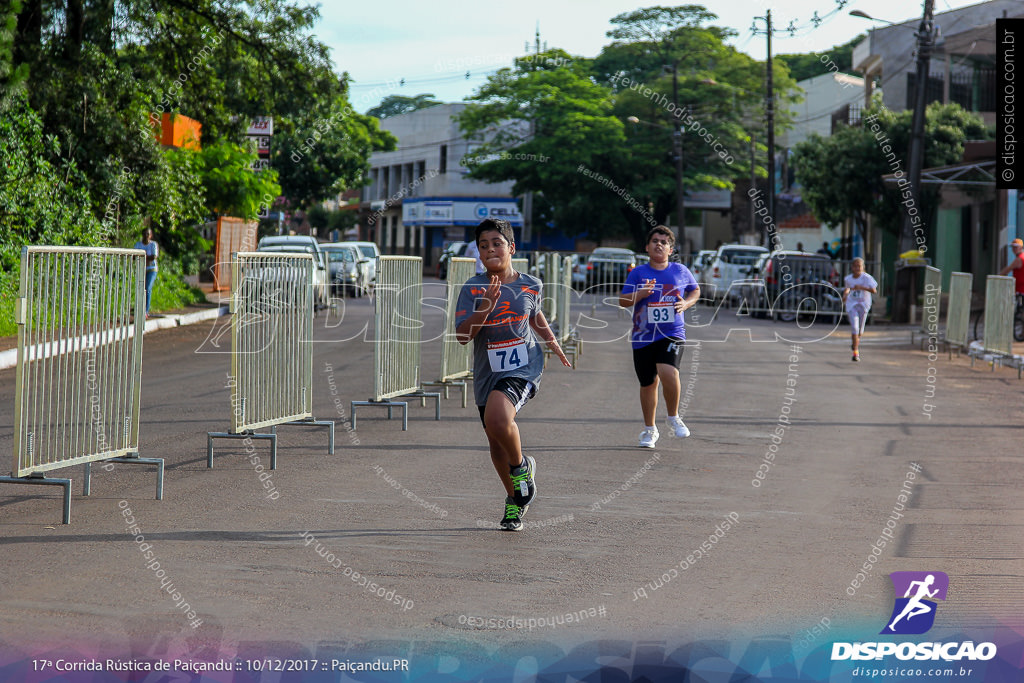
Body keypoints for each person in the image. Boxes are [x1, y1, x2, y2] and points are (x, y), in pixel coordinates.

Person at [455, 218, 570, 531]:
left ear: (511, 248)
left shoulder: (530, 283)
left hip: (524, 366)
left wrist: (553, 344)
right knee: (495, 443)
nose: (490, 249)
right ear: (478, 252)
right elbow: (463, 336)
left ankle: (521, 468)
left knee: (499, 419)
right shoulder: (472, 287)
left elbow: (535, 314)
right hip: (487, 371)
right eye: (483, 245)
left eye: (497, 243)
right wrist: (484, 308)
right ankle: (515, 502)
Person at [619, 226, 701, 448]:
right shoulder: (638, 273)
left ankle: (673, 417)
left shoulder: (680, 270)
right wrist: (641, 294)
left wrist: (686, 303)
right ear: (647, 247)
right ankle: (649, 430)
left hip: (672, 332)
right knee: (648, 384)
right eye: (655, 241)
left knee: (668, 371)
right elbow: (623, 301)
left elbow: (696, 290)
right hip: (643, 336)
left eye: (664, 242)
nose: (659, 244)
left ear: (670, 249)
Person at [842, 257, 878, 362]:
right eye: (855, 266)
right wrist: (845, 295)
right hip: (852, 304)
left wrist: (862, 287)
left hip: (863, 304)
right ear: (852, 267)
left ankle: (855, 342)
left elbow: (874, 290)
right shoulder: (848, 278)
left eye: (859, 266)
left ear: (863, 267)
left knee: (860, 331)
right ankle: (856, 352)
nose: (857, 268)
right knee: (855, 327)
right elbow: (847, 288)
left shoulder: (867, 278)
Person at [134, 228, 159, 317]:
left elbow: (154, 257)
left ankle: (146, 311)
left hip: (151, 269)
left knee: (147, 288)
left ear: (151, 235)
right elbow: (134, 256)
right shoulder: (138, 244)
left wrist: (142, 257)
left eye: (148, 234)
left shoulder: (153, 245)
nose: (146, 236)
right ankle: (138, 309)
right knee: (140, 289)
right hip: (141, 269)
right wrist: (147, 257)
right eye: (144, 234)